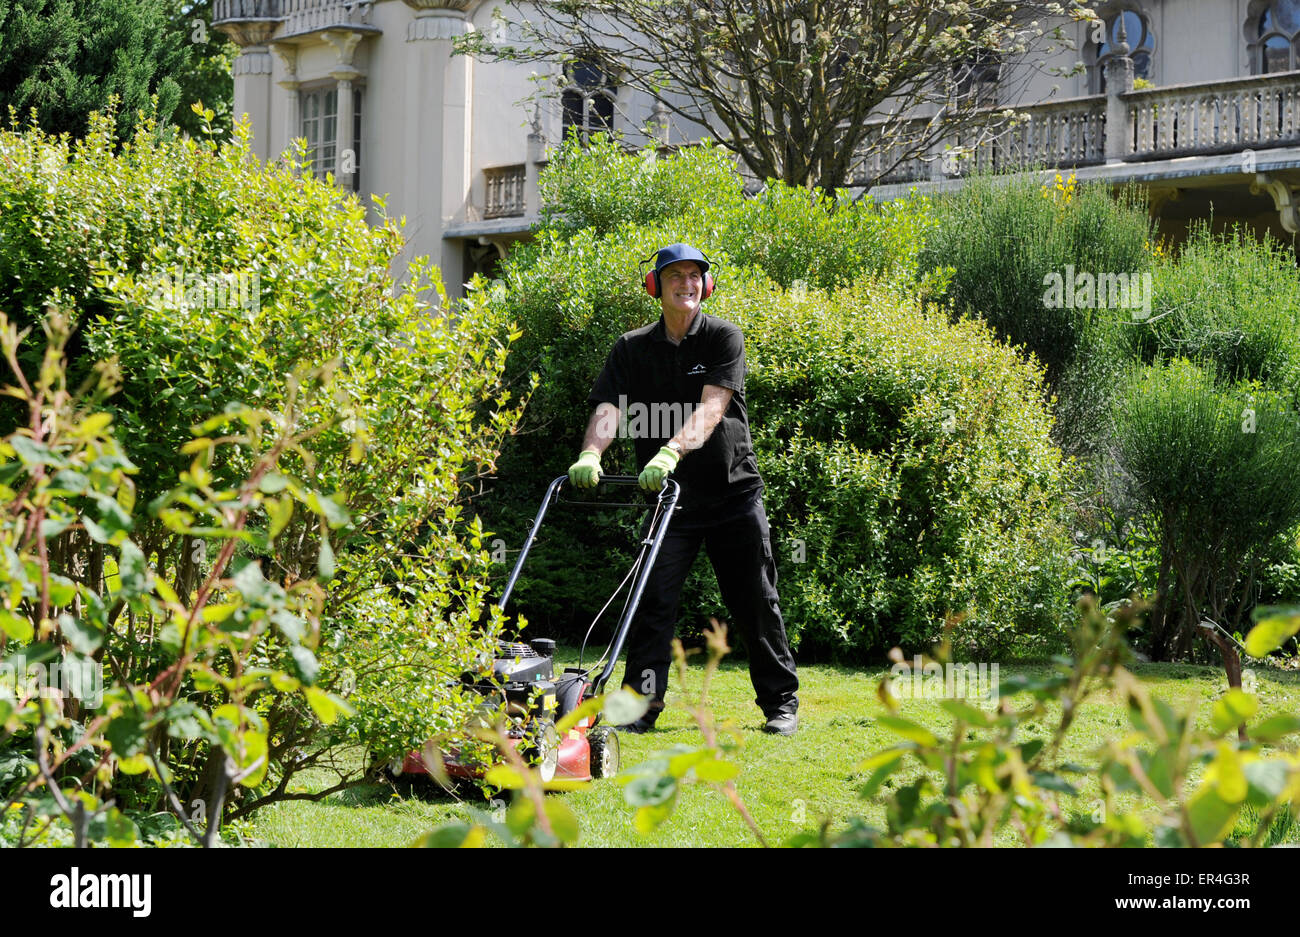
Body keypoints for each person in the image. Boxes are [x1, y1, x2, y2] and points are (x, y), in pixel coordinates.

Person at [566, 243, 800, 735]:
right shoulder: (631, 348)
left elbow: (713, 408)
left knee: (756, 600)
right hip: (670, 503)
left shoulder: (723, 337)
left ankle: (781, 705)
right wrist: (592, 452)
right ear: (656, 286)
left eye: (695, 276)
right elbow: (609, 409)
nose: (687, 285)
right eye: (676, 277)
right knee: (653, 604)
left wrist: (671, 450)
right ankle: (639, 710)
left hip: (733, 494)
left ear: (706, 286)